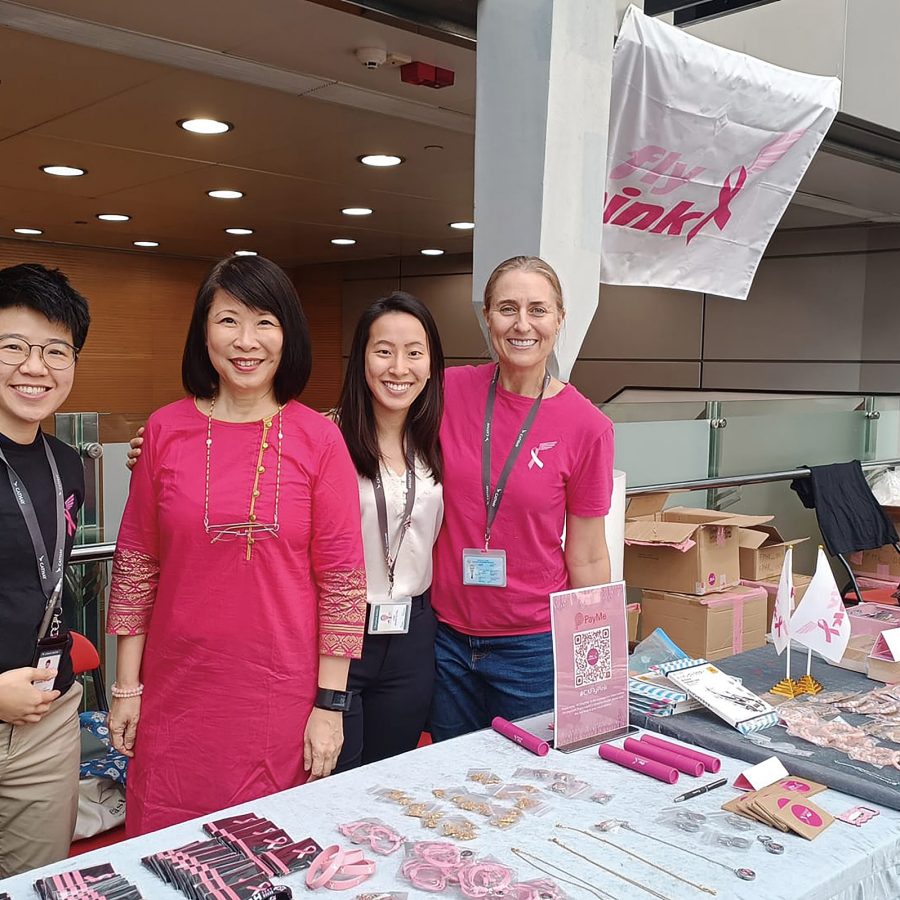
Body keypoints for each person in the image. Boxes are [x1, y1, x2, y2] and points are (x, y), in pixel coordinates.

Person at [106, 255, 366, 836]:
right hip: (175, 697)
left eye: (265, 322)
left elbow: (343, 583)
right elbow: (136, 566)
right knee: (165, 851)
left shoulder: (320, 440)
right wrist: (126, 688)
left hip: (279, 701)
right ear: (203, 333)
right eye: (228, 320)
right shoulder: (164, 430)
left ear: (288, 335)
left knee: (268, 852)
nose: (246, 341)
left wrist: (330, 706)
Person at [429, 255, 615, 740]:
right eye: (507, 308)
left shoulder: (588, 427)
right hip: (445, 640)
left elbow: (588, 554)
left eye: (538, 309)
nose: (522, 324)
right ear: (487, 316)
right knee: (448, 774)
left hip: (532, 647)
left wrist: (594, 668)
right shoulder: (446, 391)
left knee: (530, 775)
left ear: (560, 318)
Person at [0, 263, 90, 876]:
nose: (35, 367)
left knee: (39, 882)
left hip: (47, 722)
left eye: (56, 351)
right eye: (13, 346)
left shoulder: (67, 463)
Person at [334, 293, 444, 771]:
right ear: (361, 358)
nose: (399, 368)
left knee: (391, 777)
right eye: (383, 351)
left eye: (414, 352)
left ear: (431, 364)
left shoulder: (437, 439)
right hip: (341, 633)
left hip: (413, 636)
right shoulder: (326, 438)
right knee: (334, 780)